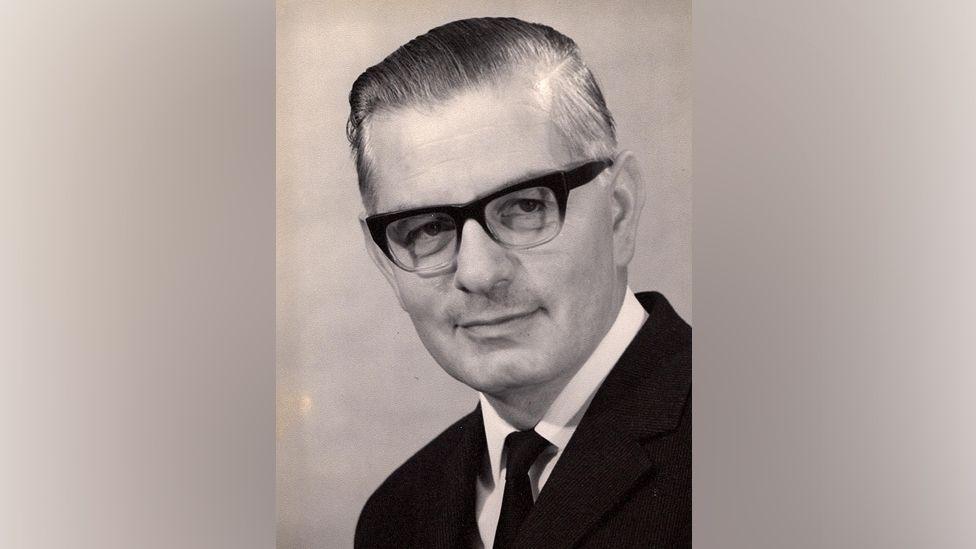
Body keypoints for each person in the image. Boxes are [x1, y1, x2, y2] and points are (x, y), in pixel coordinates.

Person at [347, 17, 690, 548]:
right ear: (387, 263)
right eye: (429, 228)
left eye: (526, 206)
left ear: (618, 211)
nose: (480, 273)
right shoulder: (395, 519)